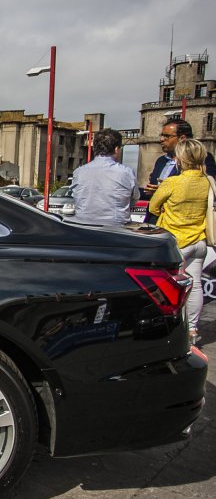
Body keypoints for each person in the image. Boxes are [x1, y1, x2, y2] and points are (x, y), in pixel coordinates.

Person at [148, 138, 209, 345]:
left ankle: (169, 329)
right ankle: (192, 330)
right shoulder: (208, 181)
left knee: (169, 287)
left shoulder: (173, 182)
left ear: (180, 159)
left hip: (177, 242)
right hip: (199, 240)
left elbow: (153, 207)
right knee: (196, 285)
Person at [144, 117, 216, 223]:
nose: (161, 139)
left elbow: (204, 188)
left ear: (182, 138)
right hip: (155, 218)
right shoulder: (161, 161)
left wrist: (166, 191)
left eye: (167, 136)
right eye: (161, 135)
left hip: (181, 222)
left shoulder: (201, 159)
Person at [68, 128, 138, 226]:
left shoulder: (78, 172)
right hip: (115, 228)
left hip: (82, 227)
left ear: (94, 148)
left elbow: (75, 197)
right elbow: (133, 199)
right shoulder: (126, 173)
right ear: (116, 149)